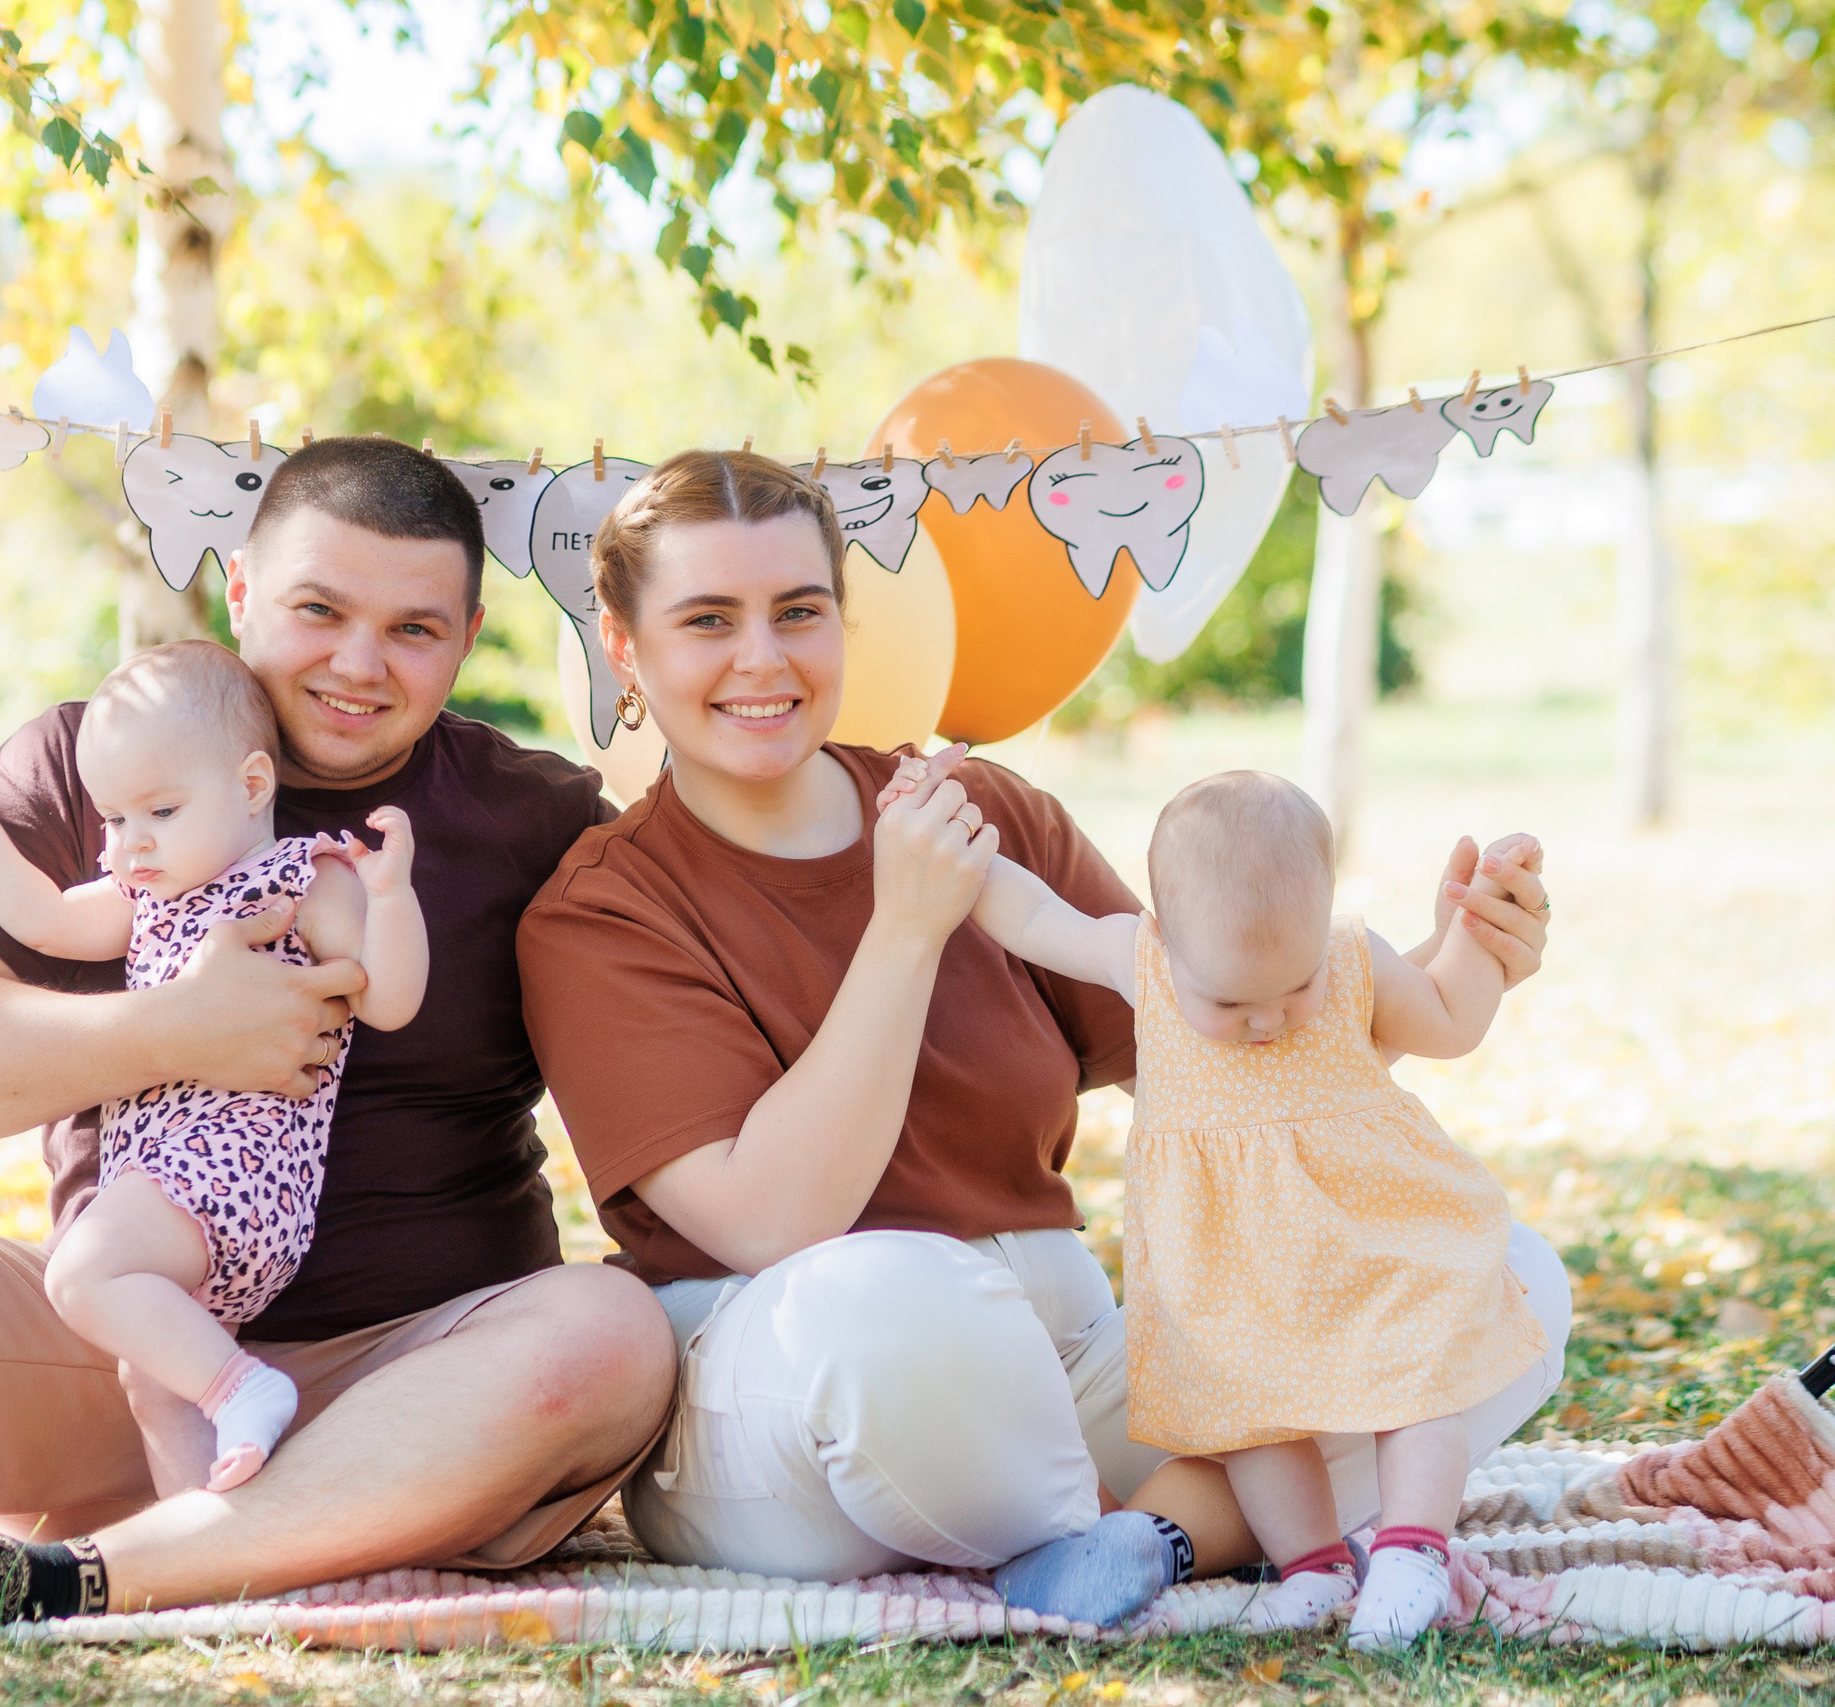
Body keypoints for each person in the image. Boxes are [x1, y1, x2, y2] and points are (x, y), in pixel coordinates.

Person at [515, 448, 1563, 1632]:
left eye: (798, 611)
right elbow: (772, 1224)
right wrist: (905, 929)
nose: (762, 658)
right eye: (708, 620)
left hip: (1057, 1356)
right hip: (789, 1394)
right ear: (623, 646)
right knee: (891, 1299)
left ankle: (1133, 1542)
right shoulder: (603, 911)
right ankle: (1180, 1522)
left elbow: (1231, 1057)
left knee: (1490, 1280)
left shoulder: (980, 811)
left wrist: (1454, 965)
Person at [0, 436, 675, 1670]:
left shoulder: (536, 815)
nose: (358, 663)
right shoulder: (101, 760)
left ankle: (87, 1580)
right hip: (134, 1346)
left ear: (467, 638)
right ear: (242, 591)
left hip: (421, 1394)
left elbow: (672, 1086)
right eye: (319, 610)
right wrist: (177, 1028)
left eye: (413, 630)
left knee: (613, 1332)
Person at [898, 764, 1544, 1646]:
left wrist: (1476, 930)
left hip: (1370, 1231)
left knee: (1416, 1377)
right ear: (1165, 938)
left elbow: (1448, 1017)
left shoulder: (1352, 958)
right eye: (1233, 1001)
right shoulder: (1142, 963)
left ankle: (1413, 1553)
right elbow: (1033, 915)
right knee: (1250, 1422)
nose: (1268, 1021)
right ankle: (1313, 1567)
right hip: (1231, 1267)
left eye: (1294, 990)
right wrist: (948, 834)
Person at [0, 638, 431, 1498]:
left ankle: (245, 1386)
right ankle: (211, 1534)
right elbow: (44, 918)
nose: (131, 844)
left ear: (253, 786)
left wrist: (390, 896)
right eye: (115, 820)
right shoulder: (145, 899)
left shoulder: (297, 881)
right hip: (171, 1200)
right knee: (153, 1375)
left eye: (159, 810)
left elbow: (391, 1000)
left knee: (82, 1270)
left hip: (232, 1178)